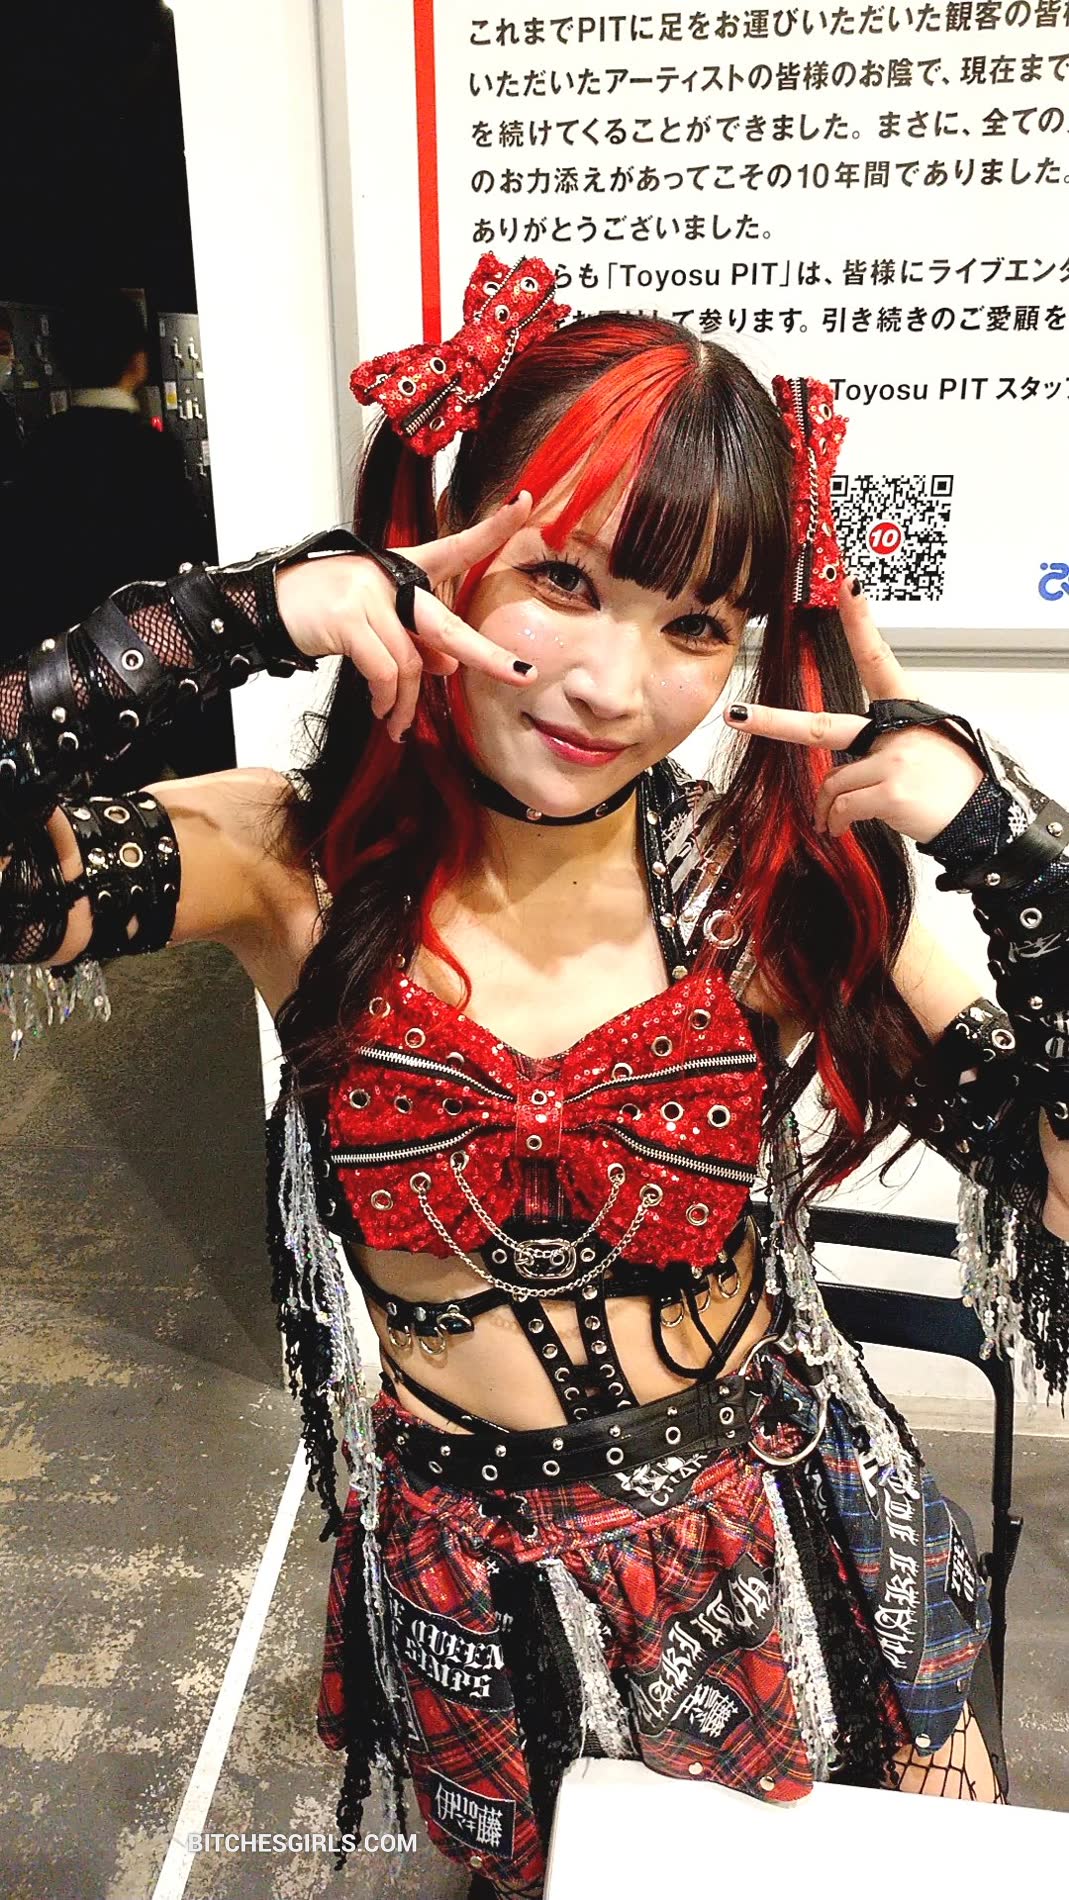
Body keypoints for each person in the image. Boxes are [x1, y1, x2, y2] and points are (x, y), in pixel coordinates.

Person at [3, 255, 1068, 1900]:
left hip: (794, 1557)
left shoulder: (768, 893)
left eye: (693, 624)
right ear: (444, 535)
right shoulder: (289, 864)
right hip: (471, 1594)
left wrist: (1009, 846)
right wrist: (238, 616)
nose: (611, 686)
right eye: (563, 580)